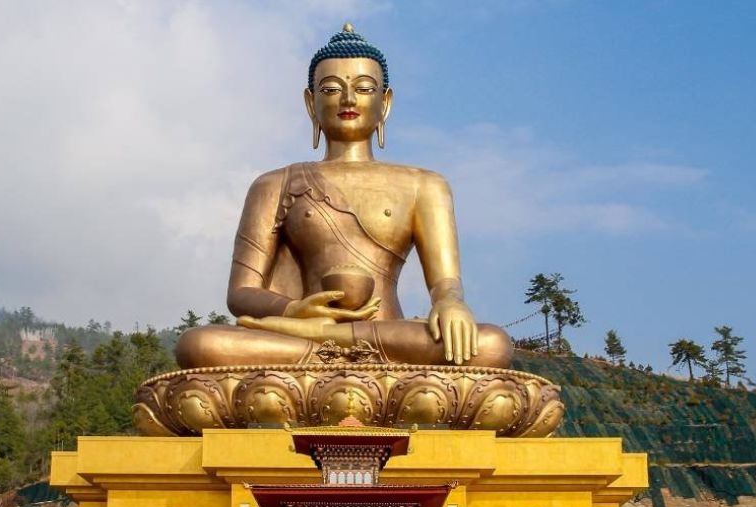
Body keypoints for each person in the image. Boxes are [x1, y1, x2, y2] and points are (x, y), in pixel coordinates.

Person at [175, 25, 512, 370]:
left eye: (364, 88)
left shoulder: (424, 185)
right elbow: (242, 293)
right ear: (311, 103)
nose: (348, 99)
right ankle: (333, 345)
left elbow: (445, 284)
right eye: (332, 88)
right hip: (300, 334)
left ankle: (336, 341)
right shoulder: (274, 184)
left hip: (383, 332)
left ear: (385, 102)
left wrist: (450, 302)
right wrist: (292, 311)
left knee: (490, 344)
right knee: (200, 344)